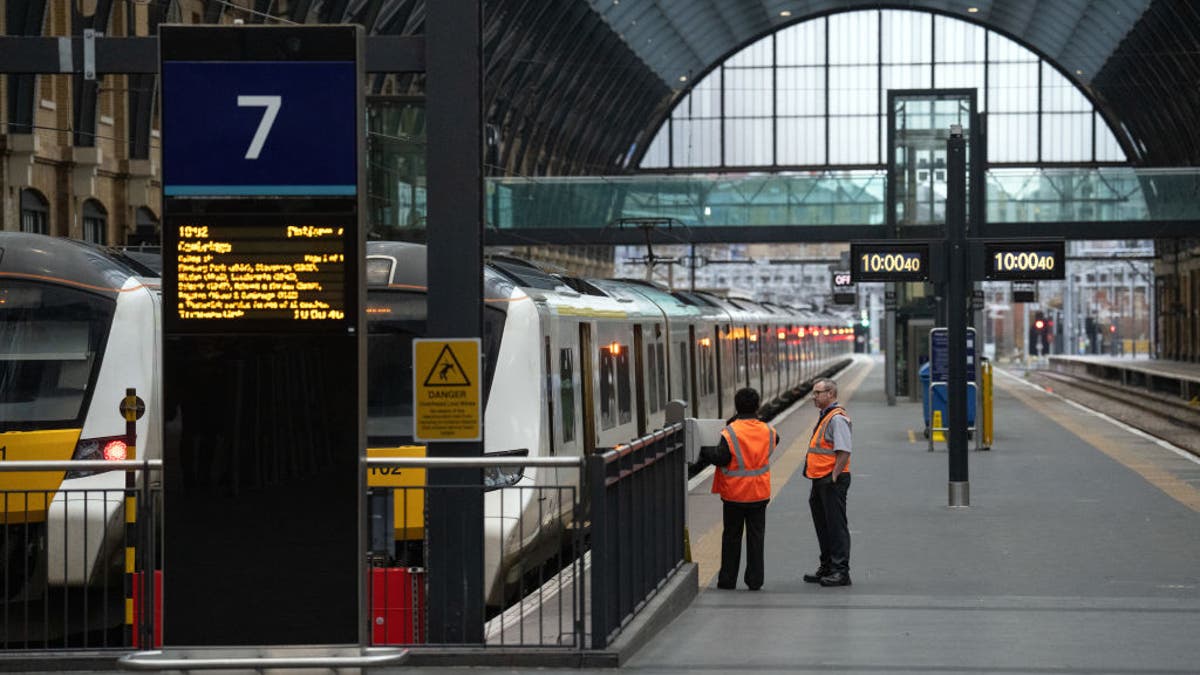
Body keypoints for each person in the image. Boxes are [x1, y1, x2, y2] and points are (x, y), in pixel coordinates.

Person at [693, 387, 779, 590]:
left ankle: (727, 580)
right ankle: (755, 580)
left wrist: (704, 450)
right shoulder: (768, 430)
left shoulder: (730, 432)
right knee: (756, 537)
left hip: (734, 494)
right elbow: (775, 441)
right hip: (759, 493)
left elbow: (722, 457)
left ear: (737, 406)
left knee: (732, 536)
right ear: (757, 406)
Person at [803, 377, 853, 587]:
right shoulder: (826, 417)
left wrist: (833, 477)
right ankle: (827, 567)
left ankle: (841, 572)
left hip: (831, 480)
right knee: (823, 526)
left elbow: (844, 450)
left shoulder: (837, 419)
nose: (813, 397)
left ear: (830, 394)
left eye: (817, 393)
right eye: (814, 393)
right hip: (819, 479)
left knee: (836, 526)